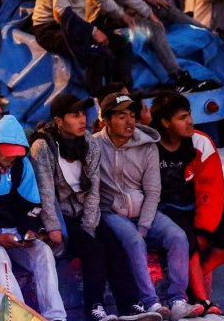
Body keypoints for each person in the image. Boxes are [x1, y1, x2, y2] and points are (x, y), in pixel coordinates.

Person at [30, 93, 148, 321]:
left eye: (83, 114)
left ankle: (130, 305)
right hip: (60, 215)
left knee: (114, 246)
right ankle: (95, 309)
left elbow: (94, 188)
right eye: (75, 115)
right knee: (94, 251)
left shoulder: (89, 142)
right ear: (59, 121)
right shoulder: (42, 147)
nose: (82, 120)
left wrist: (89, 225)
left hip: (85, 212)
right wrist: (53, 226)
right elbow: (44, 191)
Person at [94, 92, 200, 320]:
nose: (130, 121)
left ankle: (178, 301)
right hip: (110, 212)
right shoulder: (93, 146)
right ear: (106, 119)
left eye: (132, 115)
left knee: (177, 237)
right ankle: (151, 303)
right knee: (133, 241)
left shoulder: (148, 146)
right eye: (122, 116)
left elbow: (153, 192)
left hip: (142, 210)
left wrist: (143, 226)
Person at [0, 115, 68, 321]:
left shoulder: (21, 165)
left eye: (16, 154)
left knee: (43, 251)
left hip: (13, 232)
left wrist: (28, 231)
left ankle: (55, 316)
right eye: (7, 153)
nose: (11, 159)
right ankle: (15, 318)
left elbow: (32, 206)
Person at [150, 91, 224, 317]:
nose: (190, 120)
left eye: (189, 114)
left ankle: (199, 274)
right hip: (165, 209)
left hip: (197, 207)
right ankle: (202, 299)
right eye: (182, 117)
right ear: (165, 123)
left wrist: (203, 230)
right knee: (185, 241)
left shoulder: (201, 142)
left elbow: (211, 191)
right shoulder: (149, 146)